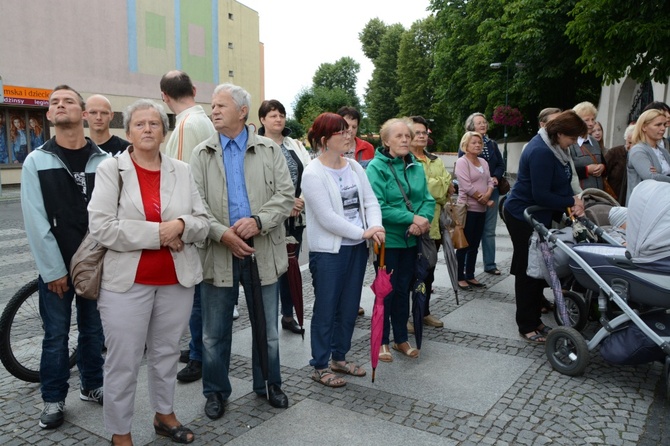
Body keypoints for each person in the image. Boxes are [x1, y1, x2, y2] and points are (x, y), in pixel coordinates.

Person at [88, 99, 209, 446]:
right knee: (123, 361)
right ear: (127, 132)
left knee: (167, 353)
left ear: (164, 131)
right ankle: (119, 431)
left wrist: (182, 224)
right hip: (126, 283)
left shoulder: (182, 171)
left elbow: (202, 222)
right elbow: (102, 227)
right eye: (139, 124)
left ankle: (164, 414)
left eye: (154, 124)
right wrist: (161, 233)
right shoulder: (112, 170)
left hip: (176, 281)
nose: (147, 130)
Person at [190, 83, 294, 420]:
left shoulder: (268, 149)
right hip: (218, 251)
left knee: (268, 330)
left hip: (262, 249)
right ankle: (216, 392)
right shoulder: (201, 153)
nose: (214, 110)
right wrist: (223, 234)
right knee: (213, 333)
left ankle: (268, 384)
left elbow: (285, 194)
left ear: (243, 111)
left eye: (221, 105)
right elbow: (196, 204)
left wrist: (258, 221)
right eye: (213, 105)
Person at [20, 85, 108, 429]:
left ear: (82, 113)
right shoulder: (37, 160)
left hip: (95, 266)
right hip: (57, 268)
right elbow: (35, 220)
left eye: (68, 101)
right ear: (48, 115)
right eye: (54, 102)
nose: (60, 105)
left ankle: (92, 385)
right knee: (55, 336)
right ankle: (54, 398)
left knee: (93, 331)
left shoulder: (103, 160)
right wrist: (54, 269)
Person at [302, 112, 385, 387]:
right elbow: (327, 218)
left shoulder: (354, 167)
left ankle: (339, 357)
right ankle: (320, 364)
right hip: (329, 252)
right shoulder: (313, 173)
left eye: (349, 131)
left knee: (349, 307)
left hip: (357, 249)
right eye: (342, 132)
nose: (349, 136)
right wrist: (364, 232)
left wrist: (375, 226)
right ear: (325, 140)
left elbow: (370, 201)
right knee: (327, 307)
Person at [503, 110, 587, 343]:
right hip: (523, 215)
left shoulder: (554, 147)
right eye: (572, 138)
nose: (573, 143)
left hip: (537, 215)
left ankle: (535, 319)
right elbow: (541, 194)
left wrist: (572, 200)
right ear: (559, 133)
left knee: (537, 269)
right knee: (527, 270)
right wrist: (571, 201)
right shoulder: (541, 151)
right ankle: (526, 324)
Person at [160, 70, 216, 384]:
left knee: (195, 294)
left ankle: (198, 355)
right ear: (194, 89)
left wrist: (178, 228)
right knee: (199, 292)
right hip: (205, 216)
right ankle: (198, 348)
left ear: (164, 97)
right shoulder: (204, 119)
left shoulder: (184, 125)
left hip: (192, 222)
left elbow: (179, 178)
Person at [366, 118, 434, 362]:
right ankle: (381, 340)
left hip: (411, 240)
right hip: (388, 241)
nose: (405, 139)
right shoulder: (376, 167)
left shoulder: (415, 166)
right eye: (399, 136)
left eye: (407, 135)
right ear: (386, 141)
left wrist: (421, 221)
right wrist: (411, 218)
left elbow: (427, 199)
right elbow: (378, 207)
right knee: (386, 292)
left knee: (404, 289)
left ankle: (400, 339)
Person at [257, 99, 311, 335]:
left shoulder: (294, 145)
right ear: (262, 120)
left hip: (295, 218)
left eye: (281, 114)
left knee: (290, 268)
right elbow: (256, 183)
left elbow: (309, 175)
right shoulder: (256, 146)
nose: (278, 119)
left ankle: (288, 315)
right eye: (272, 115)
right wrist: (285, 204)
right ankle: (265, 317)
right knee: (267, 268)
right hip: (269, 219)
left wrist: (300, 200)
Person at [408, 115, 450, 330]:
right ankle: (408, 315)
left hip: (434, 226)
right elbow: (417, 192)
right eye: (418, 132)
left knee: (429, 271)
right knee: (411, 273)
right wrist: (437, 185)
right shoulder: (405, 160)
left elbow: (444, 191)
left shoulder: (435, 159)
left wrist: (434, 186)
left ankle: (424, 312)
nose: (422, 135)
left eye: (424, 132)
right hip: (414, 226)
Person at [337, 106, 374, 317]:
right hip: (339, 210)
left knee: (358, 259)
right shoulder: (331, 146)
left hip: (360, 210)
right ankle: (340, 299)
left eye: (354, 126)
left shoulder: (367, 148)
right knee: (340, 257)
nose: (350, 130)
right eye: (346, 125)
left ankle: (353, 299)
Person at [462, 112, 505, 276]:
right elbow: (462, 168)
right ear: (471, 126)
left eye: (484, 122)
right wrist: (479, 194)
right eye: (479, 123)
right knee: (470, 230)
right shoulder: (466, 143)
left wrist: (495, 177)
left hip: (491, 192)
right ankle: (466, 265)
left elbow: (501, 165)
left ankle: (490, 264)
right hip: (473, 195)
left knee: (489, 230)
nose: (483, 125)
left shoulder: (492, 144)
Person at [454, 131, 495, 290]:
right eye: (474, 142)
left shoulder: (483, 162)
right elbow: (465, 186)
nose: (478, 145)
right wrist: (483, 198)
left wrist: (489, 193)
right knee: (463, 244)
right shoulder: (462, 162)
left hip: (482, 210)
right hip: (467, 209)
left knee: (474, 244)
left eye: (479, 142)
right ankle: (459, 276)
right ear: (465, 145)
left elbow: (490, 181)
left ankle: (470, 275)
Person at [626, 109, 670, 202]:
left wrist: (658, 174)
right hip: (643, 203)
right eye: (658, 125)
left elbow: (656, 176)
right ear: (644, 127)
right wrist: (656, 175)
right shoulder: (638, 150)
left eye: (664, 125)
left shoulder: (663, 151)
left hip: (662, 201)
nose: (663, 128)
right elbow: (650, 177)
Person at [568, 101, 608, 191]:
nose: (591, 123)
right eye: (586, 120)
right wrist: (586, 170)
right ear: (577, 122)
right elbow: (566, 171)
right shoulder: (570, 143)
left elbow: (605, 165)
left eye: (593, 119)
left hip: (599, 194)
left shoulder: (594, 141)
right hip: (580, 196)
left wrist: (603, 167)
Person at [604, 124, 635, 205]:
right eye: (629, 142)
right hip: (613, 198)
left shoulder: (641, 156)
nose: (629, 146)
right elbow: (603, 172)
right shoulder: (614, 152)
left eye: (634, 143)